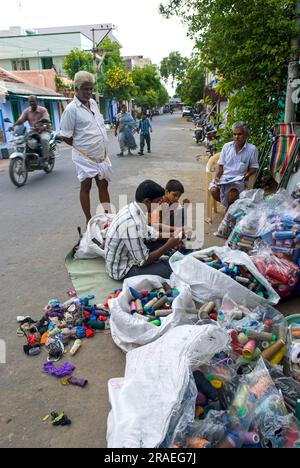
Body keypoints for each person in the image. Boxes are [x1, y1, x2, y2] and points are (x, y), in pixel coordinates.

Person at [59, 71, 112, 224]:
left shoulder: (93, 103)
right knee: (86, 186)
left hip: (101, 156)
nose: (88, 92)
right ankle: (89, 220)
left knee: (103, 184)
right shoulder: (71, 110)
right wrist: (81, 148)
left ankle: (108, 218)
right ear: (76, 88)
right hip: (84, 157)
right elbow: (65, 136)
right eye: (85, 89)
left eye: (90, 89)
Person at [105, 180, 182, 281]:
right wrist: (169, 245)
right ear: (147, 201)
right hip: (121, 270)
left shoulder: (133, 208)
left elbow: (148, 232)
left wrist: (170, 235)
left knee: (161, 244)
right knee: (170, 269)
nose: (159, 204)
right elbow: (142, 261)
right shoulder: (132, 223)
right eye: (158, 201)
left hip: (129, 255)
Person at [210, 122, 259, 209]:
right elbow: (220, 165)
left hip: (239, 180)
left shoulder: (252, 149)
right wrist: (217, 177)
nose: (236, 137)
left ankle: (229, 211)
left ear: (246, 135)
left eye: (239, 134)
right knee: (213, 190)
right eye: (234, 134)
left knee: (232, 195)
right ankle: (230, 208)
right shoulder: (226, 146)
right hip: (224, 179)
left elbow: (254, 168)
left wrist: (247, 175)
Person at [9, 96, 51, 165]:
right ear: (28, 102)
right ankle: (29, 156)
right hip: (33, 131)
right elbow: (20, 120)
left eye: (33, 101)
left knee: (44, 139)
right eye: (30, 101)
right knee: (24, 139)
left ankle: (45, 159)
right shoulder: (27, 111)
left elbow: (47, 119)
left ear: (36, 101)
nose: (32, 103)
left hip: (44, 130)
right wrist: (13, 125)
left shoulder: (43, 110)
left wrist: (44, 123)